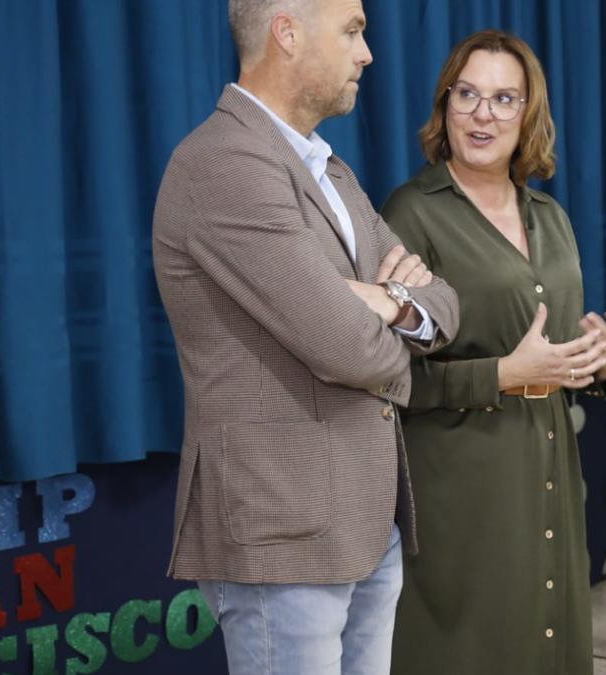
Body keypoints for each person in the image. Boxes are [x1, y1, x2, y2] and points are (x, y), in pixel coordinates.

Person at [151, 1, 459, 672]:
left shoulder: (331, 170)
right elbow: (344, 347)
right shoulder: (223, 162)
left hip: (366, 523)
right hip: (284, 532)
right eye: (352, 30)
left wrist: (385, 301)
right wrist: (386, 328)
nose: (368, 52)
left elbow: (445, 304)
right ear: (285, 33)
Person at [381, 29, 606, 674]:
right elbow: (388, 375)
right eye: (467, 94)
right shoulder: (412, 213)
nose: (483, 113)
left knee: (549, 639)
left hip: (548, 453)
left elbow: (555, 355)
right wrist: (501, 374)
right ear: (445, 105)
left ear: (528, 113)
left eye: (504, 98)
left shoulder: (550, 216)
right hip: (458, 471)